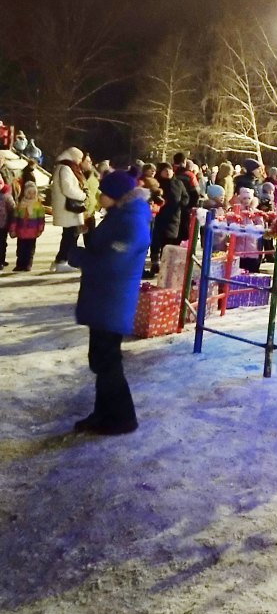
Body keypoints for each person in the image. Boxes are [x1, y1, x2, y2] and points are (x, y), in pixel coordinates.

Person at [70, 170, 151, 436]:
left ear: (115, 195)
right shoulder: (121, 215)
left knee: (108, 361)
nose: (98, 195)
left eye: (102, 192)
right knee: (102, 359)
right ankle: (104, 413)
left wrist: (79, 257)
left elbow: (113, 262)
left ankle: (121, 418)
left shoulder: (132, 221)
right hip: (105, 296)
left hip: (113, 298)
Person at [50, 147, 88, 273]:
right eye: (78, 157)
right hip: (68, 208)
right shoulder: (66, 168)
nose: (79, 161)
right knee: (70, 235)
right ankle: (62, 260)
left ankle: (61, 259)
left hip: (68, 208)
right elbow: (67, 188)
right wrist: (82, 195)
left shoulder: (64, 167)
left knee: (69, 234)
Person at [9, 181, 46, 271]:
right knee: (20, 249)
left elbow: (41, 219)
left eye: (34, 193)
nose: (31, 195)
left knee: (30, 250)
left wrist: (40, 229)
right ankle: (20, 264)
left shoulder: (38, 206)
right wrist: (12, 229)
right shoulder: (20, 205)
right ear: (25, 193)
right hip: (21, 231)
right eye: (29, 193)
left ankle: (27, 264)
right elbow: (15, 218)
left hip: (32, 232)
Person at [172, 152, 199, 241]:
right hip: (184, 207)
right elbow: (195, 192)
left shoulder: (168, 172)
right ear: (184, 161)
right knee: (182, 232)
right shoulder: (190, 175)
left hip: (168, 207)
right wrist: (190, 206)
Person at [80, 153, 100, 235]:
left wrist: (97, 206)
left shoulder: (94, 177)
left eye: (90, 161)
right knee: (70, 242)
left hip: (90, 214)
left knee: (91, 242)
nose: (90, 163)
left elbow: (97, 192)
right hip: (78, 214)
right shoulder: (76, 176)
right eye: (87, 161)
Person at [0, 182, 16, 269]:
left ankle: (1, 260)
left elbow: (12, 208)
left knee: (2, 243)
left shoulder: (6, 195)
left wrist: (12, 221)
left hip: (3, 225)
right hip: (3, 223)